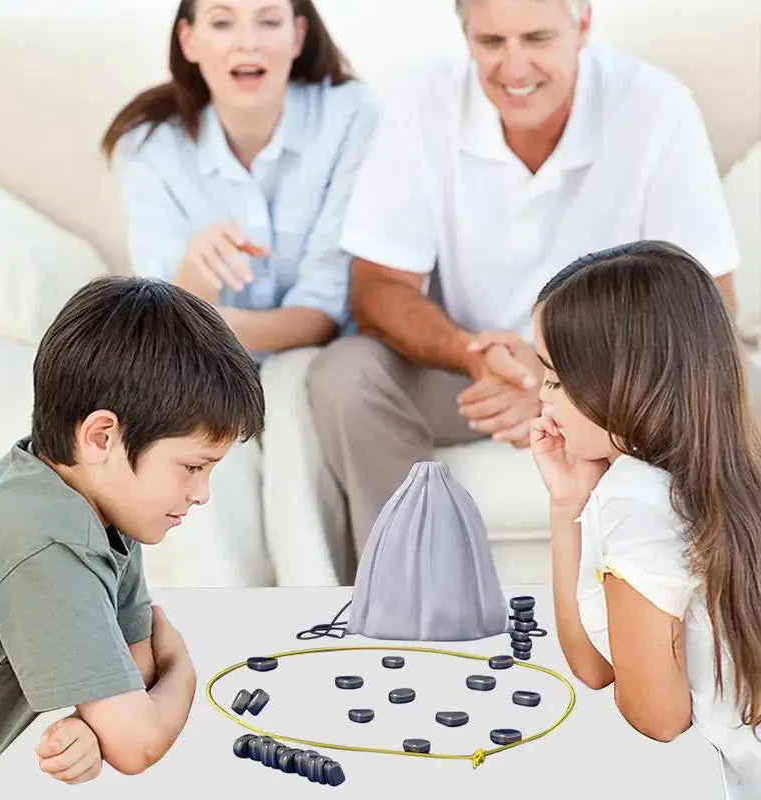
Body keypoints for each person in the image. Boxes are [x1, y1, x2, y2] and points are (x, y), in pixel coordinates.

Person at [306, 0, 740, 560]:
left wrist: (561, 382)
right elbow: (377, 288)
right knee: (343, 376)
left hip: (610, 375)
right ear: (466, 38)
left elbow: (709, 302)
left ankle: (713, 594)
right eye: (491, 43)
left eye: (536, 38)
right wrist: (473, 355)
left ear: (582, 25)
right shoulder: (422, 101)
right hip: (474, 373)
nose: (514, 69)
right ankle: (409, 581)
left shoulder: (654, 104)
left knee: (738, 382)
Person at [101, 0, 375, 586]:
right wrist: (195, 279)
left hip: (308, 353)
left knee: (286, 390)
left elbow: (325, 310)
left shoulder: (350, 115)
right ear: (190, 40)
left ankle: (316, 613)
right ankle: (228, 631)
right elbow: (161, 318)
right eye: (222, 22)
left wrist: (207, 320)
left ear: (299, 35)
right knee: (193, 423)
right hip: (197, 355)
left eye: (268, 21)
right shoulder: (149, 145)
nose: (246, 43)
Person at [0, 277, 265, 797]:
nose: (202, 494)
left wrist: (98, 721)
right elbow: (136, 741)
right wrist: (184, 671)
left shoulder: (92, 503)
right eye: (192, 466)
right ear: (102, 436)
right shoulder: (43, 546)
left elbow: (136, 675)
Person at [528, 240, 761, 797]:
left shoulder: (637, 498)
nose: (543, 399)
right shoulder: (728, 469)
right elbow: (594, 665)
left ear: (623, 382)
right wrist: (570, 508)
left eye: (557, 380)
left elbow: (658, 717)